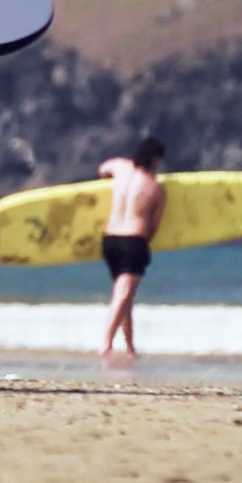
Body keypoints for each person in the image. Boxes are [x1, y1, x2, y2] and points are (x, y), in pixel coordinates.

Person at [99, 136, 167, 358]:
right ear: (154, 159)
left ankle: (129, 346)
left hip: (110, 239)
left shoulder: (121, 168)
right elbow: (153, 226)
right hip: (133, 240)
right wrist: (145, 244)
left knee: (124, 294)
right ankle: (106, 345)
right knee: (123, 293)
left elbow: (103, 168)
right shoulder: (155, 188)